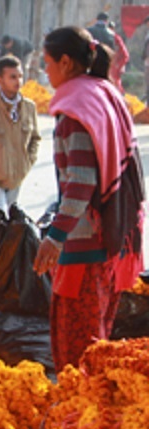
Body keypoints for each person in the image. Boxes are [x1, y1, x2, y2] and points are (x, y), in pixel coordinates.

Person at [34, 26, 144, 371]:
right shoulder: (104, 92)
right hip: (112, 238)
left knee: (77, 350)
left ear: (66, 62)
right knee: (98, 337)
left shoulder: (74, 111)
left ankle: (78, 417)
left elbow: (80, 183)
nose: (46, 72)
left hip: (85, 244)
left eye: (47, 63)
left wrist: (55, 237)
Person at [0, 56, 40, 211]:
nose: (18, 81)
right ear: (0, 80)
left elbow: (35, 138)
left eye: (20, 76)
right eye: (13, 77)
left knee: (12, 226)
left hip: (16, 179)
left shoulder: (29, 107)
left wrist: (27, 161)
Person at [108, 21, 129, 94]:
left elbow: (125, 55)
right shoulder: (114, 38)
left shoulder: (116, 38)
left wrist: (119, 65)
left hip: (113, 67)